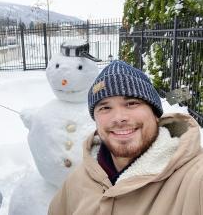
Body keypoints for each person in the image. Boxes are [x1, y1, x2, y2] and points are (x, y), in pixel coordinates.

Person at [48, 60, 203, 215]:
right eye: (105, 107)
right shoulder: (77, 181)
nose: (119, 118)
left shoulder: (194, 180)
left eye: (132, 103)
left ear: (155, 114)